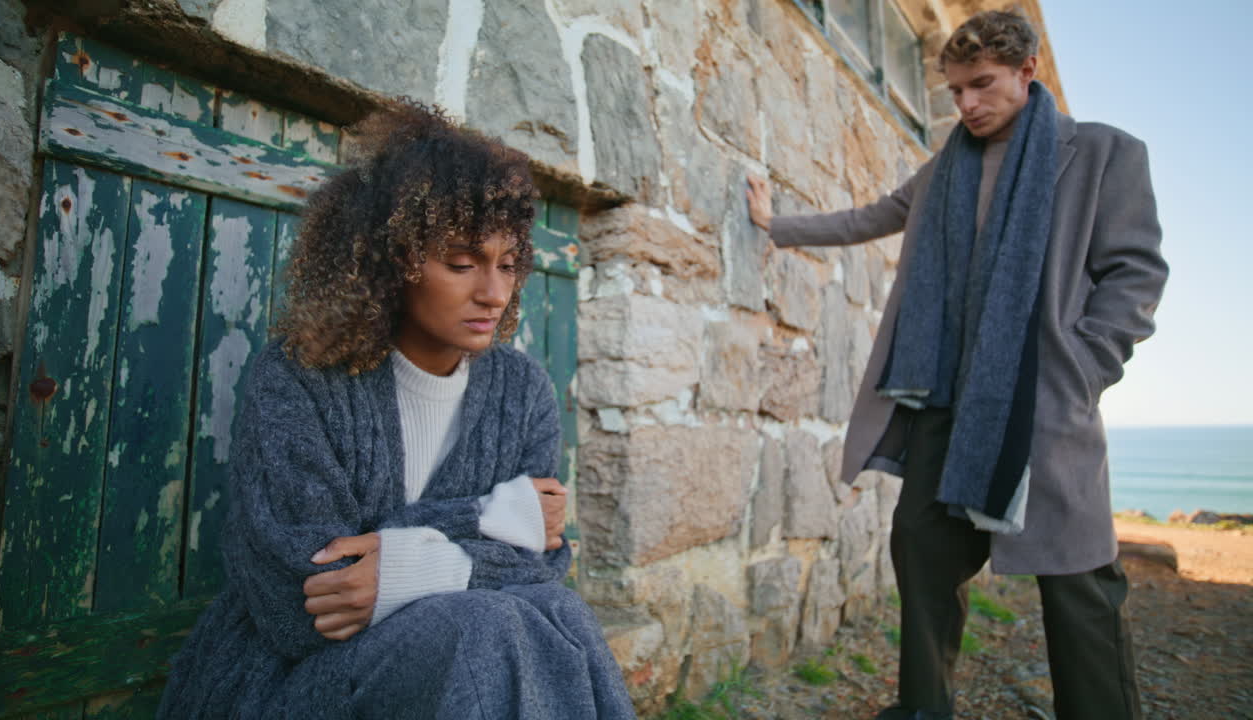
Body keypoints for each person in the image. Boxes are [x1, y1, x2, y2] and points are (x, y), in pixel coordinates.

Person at [747, 10, 1165, 720]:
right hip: (945, 403)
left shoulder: (1101, 154)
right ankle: (923, 710)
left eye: (982, 85)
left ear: (1027, 73)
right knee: (922, 556)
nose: (967, 105)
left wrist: (1086, 364)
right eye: (955, 92)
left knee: (1078, 586)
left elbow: (1135, 273)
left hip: (1045, 406)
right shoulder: (945, 169)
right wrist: (774, 226)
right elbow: (870, 216)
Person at [158, 102, 635, 720]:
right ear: (391, 259)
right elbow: (302, 604)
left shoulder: (522, 390)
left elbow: (543, 562)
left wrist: (418, 564)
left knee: (555, 614)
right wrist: (491, 517)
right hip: (294, 682)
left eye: (509, 265)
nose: (494, 292)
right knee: (477, 628)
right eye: (462, 263)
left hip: (466, 670)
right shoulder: (300, 376)